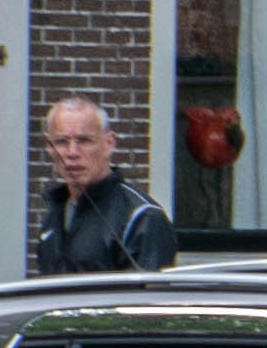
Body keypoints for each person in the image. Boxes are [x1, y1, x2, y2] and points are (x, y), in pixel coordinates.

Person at [28, 97, 179, 275]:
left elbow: (148, 298)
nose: (72, 153)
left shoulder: (142, 218)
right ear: (49, 147)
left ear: (109, 143)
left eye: (84, 141)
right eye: (61, 142)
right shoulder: (55, 214)